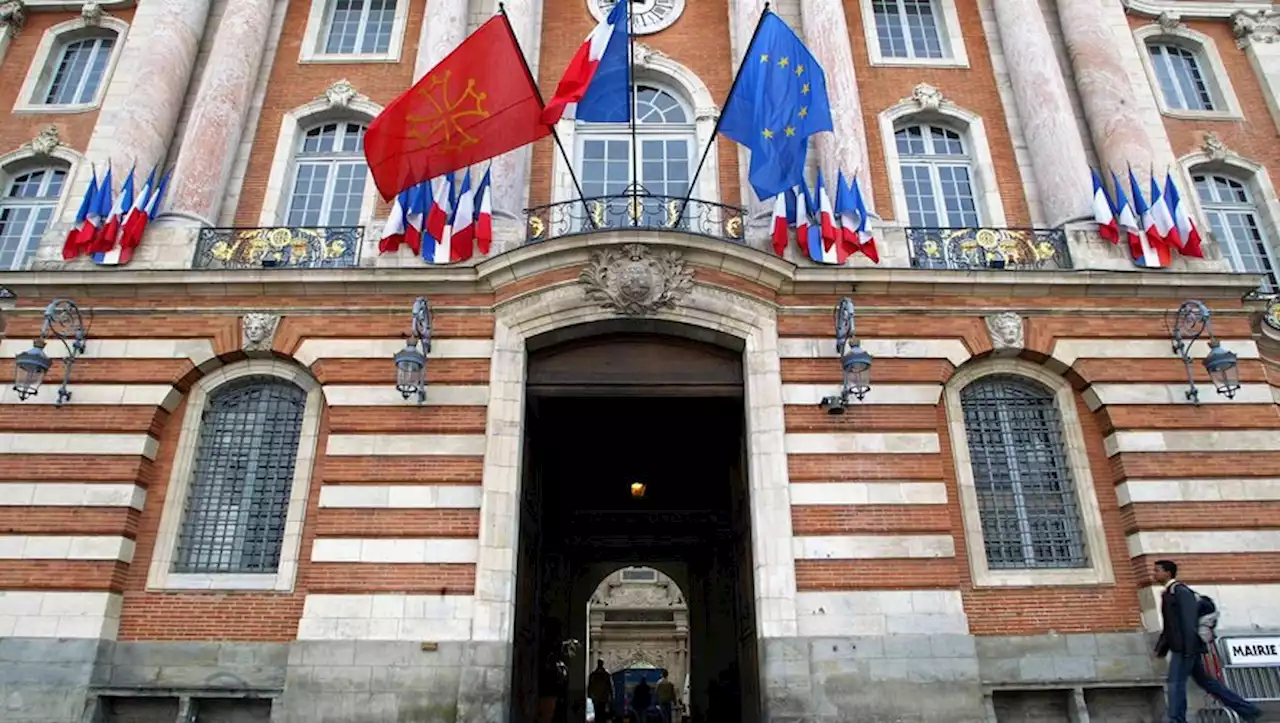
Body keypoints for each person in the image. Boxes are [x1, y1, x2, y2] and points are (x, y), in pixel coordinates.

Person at [1152, 559, 1261, 723]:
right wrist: (1161, 647)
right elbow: (1171, 625)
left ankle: (1177, 720)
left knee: (1175, 683)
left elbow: (1188, 621)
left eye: (1157, 570)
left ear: (1168, 573)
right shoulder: (1170, 592)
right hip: (1184, 646)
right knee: (1206, 682)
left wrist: (1188, 649)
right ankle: (1248, 710)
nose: (1154, 574)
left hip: (1186, 648)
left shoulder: (1180, 591)